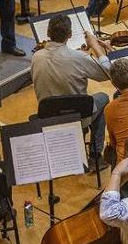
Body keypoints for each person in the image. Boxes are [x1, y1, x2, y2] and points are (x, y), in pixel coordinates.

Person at [29, 13, 112, 159]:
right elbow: (107, 73)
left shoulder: (36, 57)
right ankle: (95, 155)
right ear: (70, 35)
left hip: (48, 116)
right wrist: (95, 46)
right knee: (103, 97)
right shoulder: (79, 58)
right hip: (78, 116)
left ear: (48, 33)